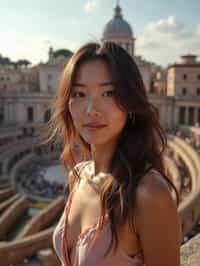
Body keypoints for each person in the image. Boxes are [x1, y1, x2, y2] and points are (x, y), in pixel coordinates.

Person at [48, 42, 181, 265]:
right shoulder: (78, 175)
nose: (91, 109)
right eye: (79, 93)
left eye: (108, 93)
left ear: (131, 103)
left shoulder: (149, 194)